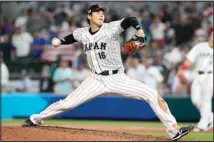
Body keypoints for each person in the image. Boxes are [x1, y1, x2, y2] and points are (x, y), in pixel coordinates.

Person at [22, 4, 193, 141]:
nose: (101, 14)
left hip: (117, 77)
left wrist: (139, 31)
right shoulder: (82, 32)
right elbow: (73, 37)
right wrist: (60, 40)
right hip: (95, 79)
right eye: (97, 13)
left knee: (152, 94)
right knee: (67, 104)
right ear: (89, 16)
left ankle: (174, 131)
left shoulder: (111, 28)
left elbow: (131, 20)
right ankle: (36, 118)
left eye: (102, 12)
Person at [177, 32, 213, 132]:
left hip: (210, 76)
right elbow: (190, 59)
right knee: (195, 100)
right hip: (198, 74)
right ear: (210, 36)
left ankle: (203, 126)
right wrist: (182, 68)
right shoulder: (200, 46)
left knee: (206, 100)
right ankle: (210, 116)